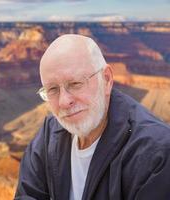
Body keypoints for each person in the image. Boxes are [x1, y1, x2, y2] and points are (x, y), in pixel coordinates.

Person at [14, 34, 170, 200]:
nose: (64, 101)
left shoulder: (155, 153)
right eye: (52, 89)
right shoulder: (48, 137)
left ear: (107, 79)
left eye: (75, 84)